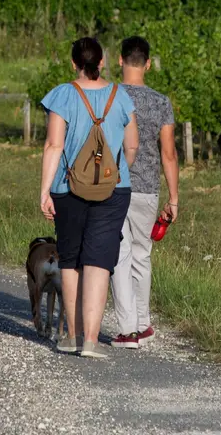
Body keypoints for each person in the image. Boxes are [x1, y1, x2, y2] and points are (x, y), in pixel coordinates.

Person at [39, 37, 138, 359]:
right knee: (99, 261)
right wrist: (115, 170)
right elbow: (132, 145)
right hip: (114, 188)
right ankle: (92, 340)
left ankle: (71, 334)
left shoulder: (63, 95)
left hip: (68, 188)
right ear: (103, 62)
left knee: (71, 259)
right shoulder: (120, 96)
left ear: (73, 63)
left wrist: (44, 190)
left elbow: (54, 145)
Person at [110, 36, 179, 349]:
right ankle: (143, 323)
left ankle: (128, 331)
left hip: (113, 186)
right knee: (142, 255)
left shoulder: (110, 96)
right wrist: (173, 198)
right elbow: (169, 153)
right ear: (148, 63)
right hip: (148, 190)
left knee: (118, 255)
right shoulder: (161, 102)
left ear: (120, 60)